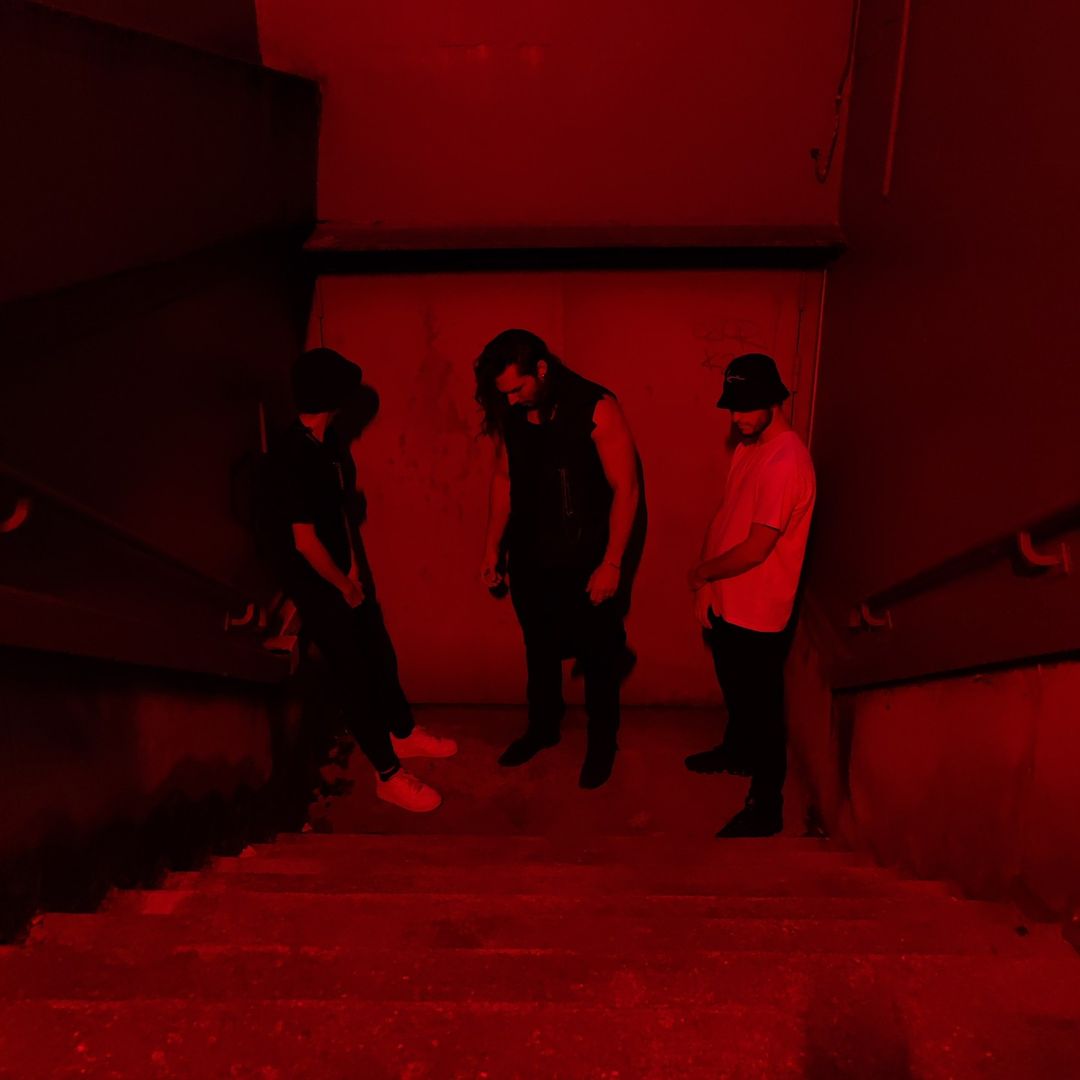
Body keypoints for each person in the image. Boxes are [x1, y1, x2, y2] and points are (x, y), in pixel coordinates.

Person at [261, 347, 456, 813]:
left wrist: (354, 567)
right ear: (332, 398)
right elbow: (304, 542)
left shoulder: (328, 442)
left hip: (341, 573)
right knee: (354, 676)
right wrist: (343, 585)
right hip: (317, 582)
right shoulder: (292, 455)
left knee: (378, 654)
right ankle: (388, 775)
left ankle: (402, 732)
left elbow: (338, 513)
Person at [476, 329, 641, 789]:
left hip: (586, 559)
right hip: (530, 556)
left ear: (542, 369)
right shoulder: (511, 411)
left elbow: (626, 489)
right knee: (539, 649)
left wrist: (612, 563)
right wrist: (492, 546)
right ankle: (543, 728)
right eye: (503, 392)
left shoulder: (595, 407)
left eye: (518, 388)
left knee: (600, 657)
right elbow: (504, 478)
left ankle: (602, 743)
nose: (510, 400)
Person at [686, 353, 816, 837]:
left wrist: (701, 572)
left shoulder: (786, 462)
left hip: (759, 610)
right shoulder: (750, 448)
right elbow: (725, 515)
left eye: (745, 408)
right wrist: (708, 585)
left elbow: (758, 547)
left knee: (763, 710)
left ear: (773, 401)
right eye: (732, 407)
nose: (736, 417)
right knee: (736, 690)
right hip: (728, 598)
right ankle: (736, 753)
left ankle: (766, 806)